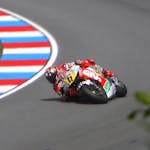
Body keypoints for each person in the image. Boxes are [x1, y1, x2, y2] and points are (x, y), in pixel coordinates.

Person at [45, 58, 115, 97]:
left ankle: (105, 72)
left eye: (53, 76)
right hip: (74, 87)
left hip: (77, 74)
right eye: (50, 79)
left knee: (88, 62)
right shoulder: (55, 86)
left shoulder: (62, 67)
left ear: (56, 71)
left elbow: (72, 64)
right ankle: (92, 92)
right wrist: (66, 93)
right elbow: (62, 94)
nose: (52, 79)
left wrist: (77, 62)